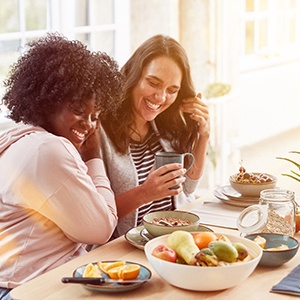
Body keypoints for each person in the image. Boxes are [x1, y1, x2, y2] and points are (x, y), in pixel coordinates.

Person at [0, 33, 123, 299]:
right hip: (27, 291)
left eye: (95, 116)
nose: (89, 125)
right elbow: (101, 228)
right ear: (47, 100)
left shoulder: (18, 139)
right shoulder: (47, 149)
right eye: (78, 110)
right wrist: (93, 155)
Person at [100, 34, 210, 238]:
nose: (160, 97)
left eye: (172, 90)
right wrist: (145, 192)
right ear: (134, 76)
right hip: (126, 250)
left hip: (175, 237)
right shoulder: (100, 131)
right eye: (153, 83)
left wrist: (204, 134)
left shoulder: (165, 123)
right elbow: (97, 215)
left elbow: (188, 187)